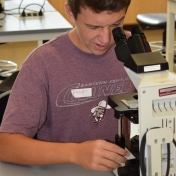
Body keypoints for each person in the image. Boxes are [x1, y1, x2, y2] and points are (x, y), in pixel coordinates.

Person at [0, 0, 135, 172]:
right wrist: (76, 153)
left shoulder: (134, 48)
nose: (106, 38)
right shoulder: (43, 63)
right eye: (93, 27)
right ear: (71, 13)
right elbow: (5, 146)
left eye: (116, 24)